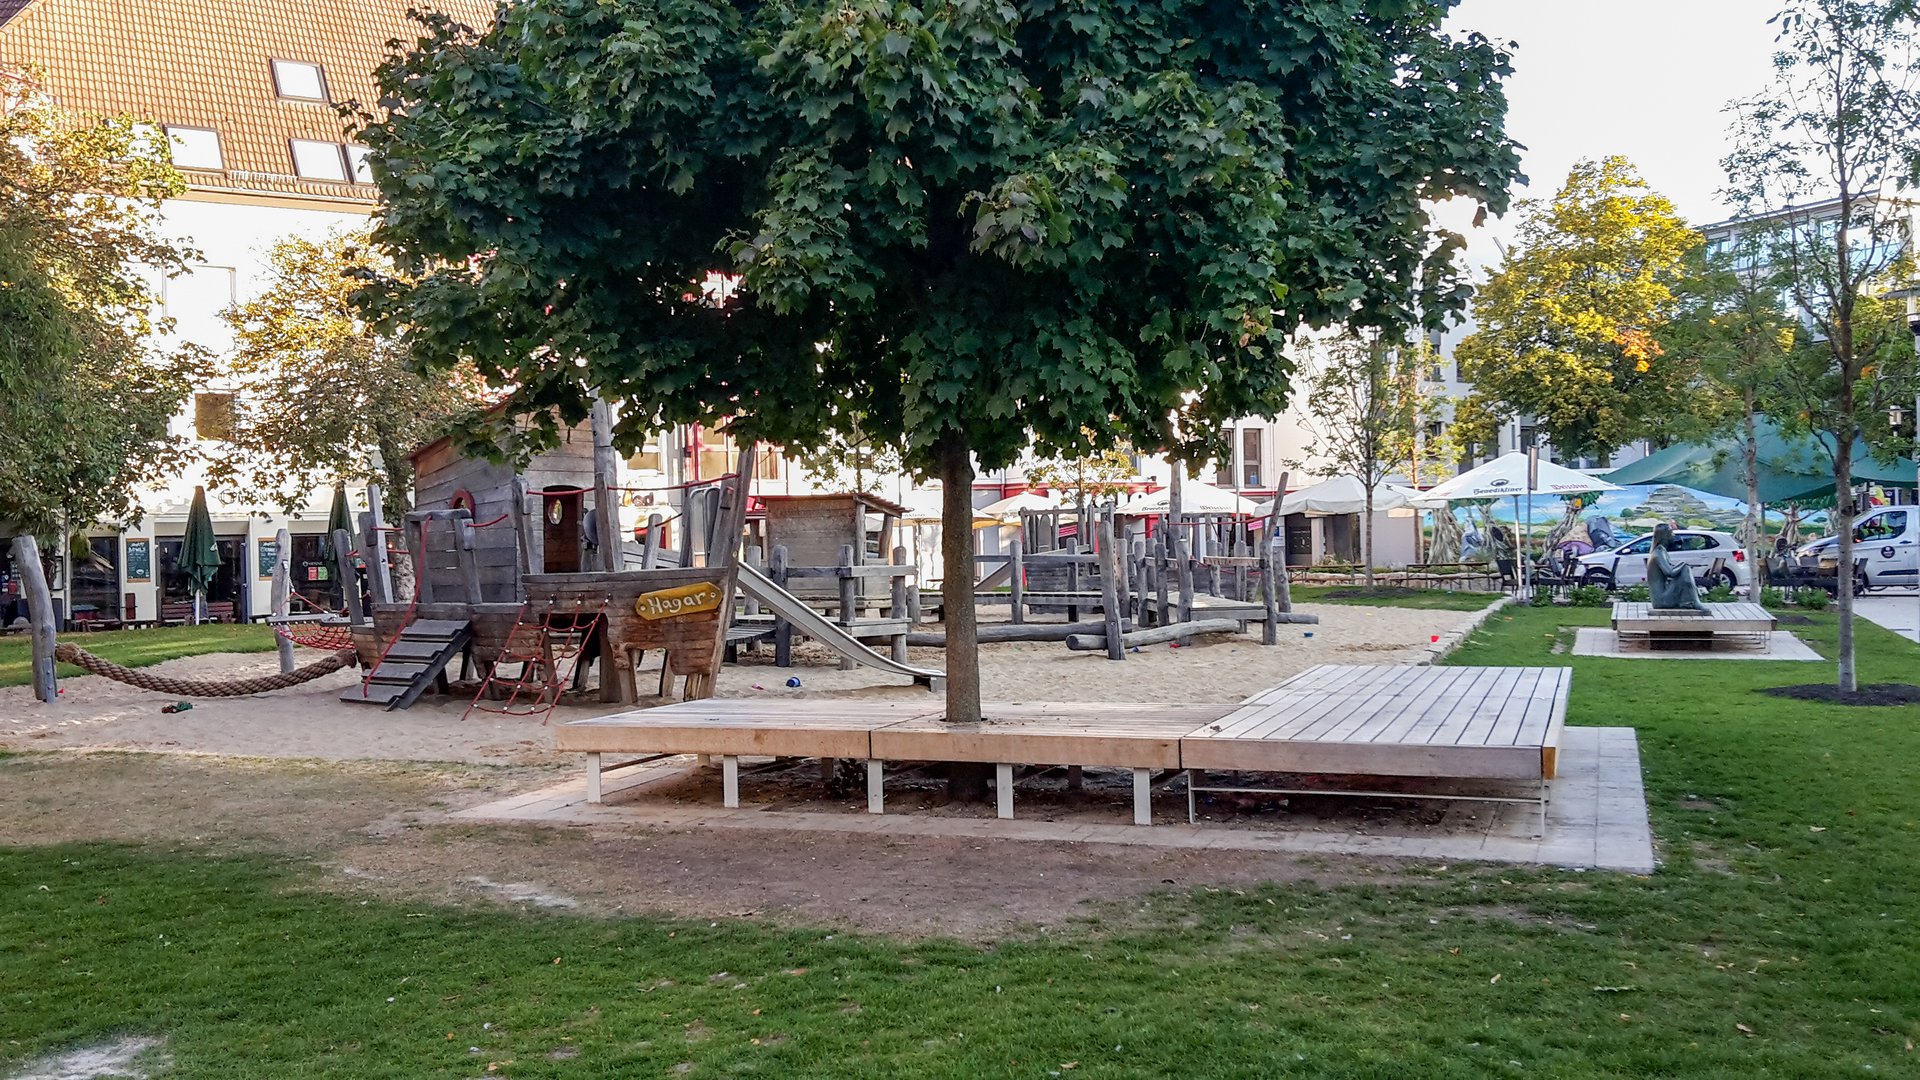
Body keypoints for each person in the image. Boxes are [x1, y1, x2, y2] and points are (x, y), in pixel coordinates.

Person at [1648, 522, 1708, 612]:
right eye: (1671, 532)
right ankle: (1695, 602)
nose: (1673, 534)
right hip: (1661, 601)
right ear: (1665, 535)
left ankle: (1692, 599)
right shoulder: (1658, 553)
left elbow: (1672, 571)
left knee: (1684, 569)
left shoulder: (1662, 551)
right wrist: (1683, 563)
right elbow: (1670, 573)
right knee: (1685, 568)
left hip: (1664, 596)